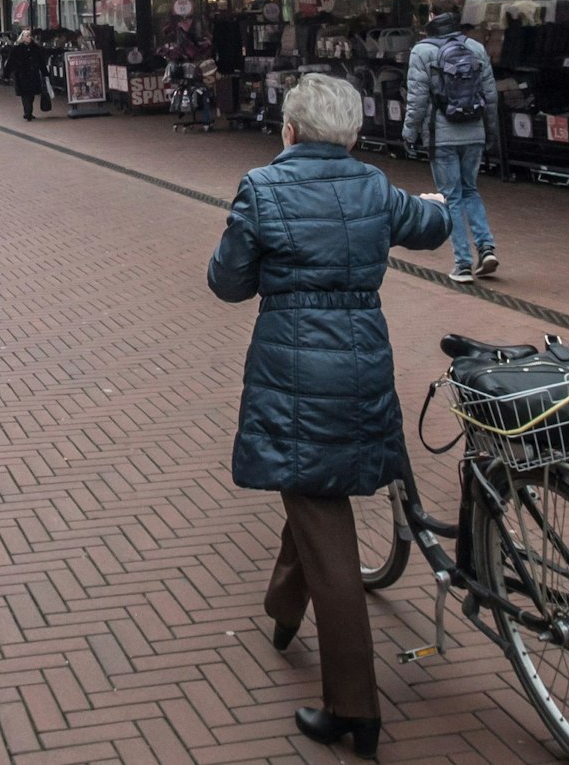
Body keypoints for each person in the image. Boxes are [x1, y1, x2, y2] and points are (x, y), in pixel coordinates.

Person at [207, 74, 450, 758]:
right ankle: (284, 610)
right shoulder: (375, 187)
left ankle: (356, 709)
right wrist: (439, 204)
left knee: (321, 517)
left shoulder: (262, 187)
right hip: (362, 366)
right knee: (311, 492)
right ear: (350, 135)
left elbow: (227, 282)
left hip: (293, 376)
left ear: (289, 131)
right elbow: (432, 226)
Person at [403, 0, 500, 284]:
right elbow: (490, 96)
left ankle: (462, 264)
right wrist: (490, 130)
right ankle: (486, 247)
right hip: (474, 131)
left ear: (431, 16)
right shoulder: (475, 48)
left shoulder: (421, 52)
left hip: (441, 134)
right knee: (470, 190)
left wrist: (409, 133)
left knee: (451, 197)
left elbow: (417, 100)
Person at [1, 29, 43, 121]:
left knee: (31, 95)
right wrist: (6, 75)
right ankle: (27, 113)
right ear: (22, 38)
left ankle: (29, 112)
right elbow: (10, 62)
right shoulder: (16, 49)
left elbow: (41, 61)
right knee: (25, 95)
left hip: (33, 75)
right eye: (27, 36)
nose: (29, 38)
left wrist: (45, 72)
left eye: (29, 36)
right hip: (22, 75)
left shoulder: (35, 48)